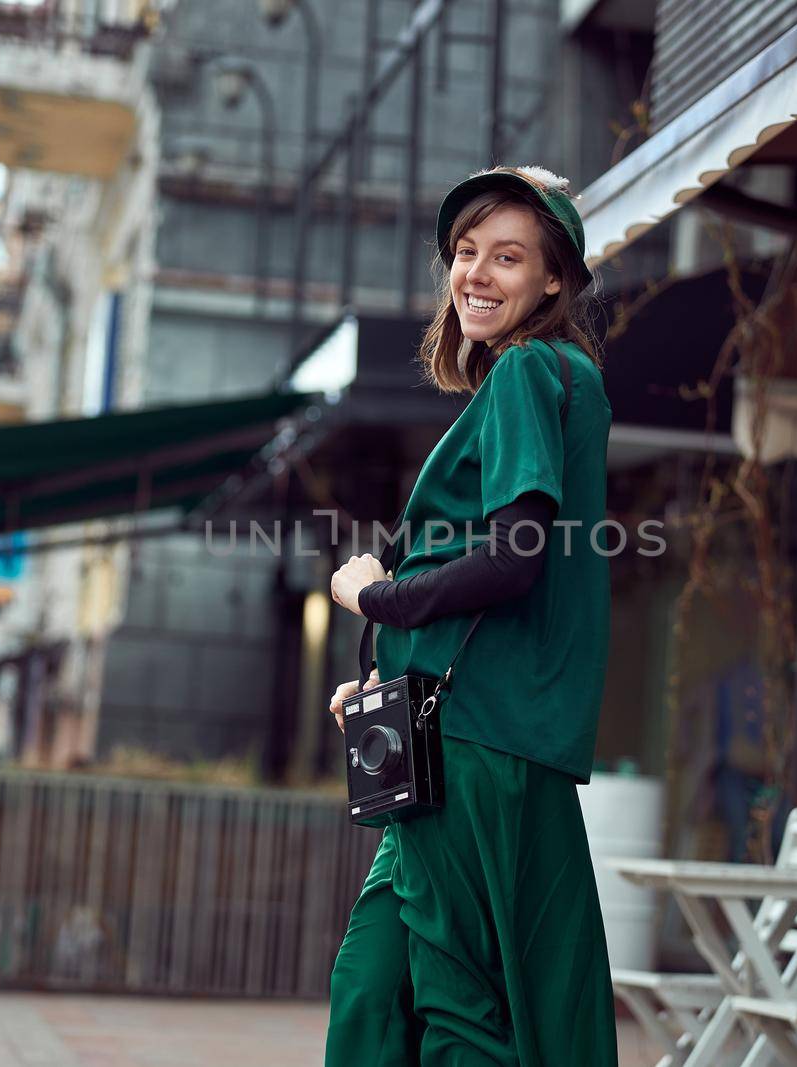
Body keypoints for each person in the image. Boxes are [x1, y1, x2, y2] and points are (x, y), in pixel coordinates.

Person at [323, 165, 617, 1066]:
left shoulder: (532, 370)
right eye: (465, 253)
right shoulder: (549, 379)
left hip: (471, 738)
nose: (477, 275)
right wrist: (384, 675)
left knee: (456, 1003)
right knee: (377, 979)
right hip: (451, 730)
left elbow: (514, 558)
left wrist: (374, 594)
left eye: (508, 257)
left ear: (553, 279)